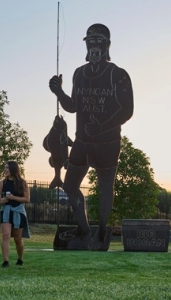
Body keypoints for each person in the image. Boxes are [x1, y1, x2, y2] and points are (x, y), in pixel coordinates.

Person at [48, 23, 134, 250]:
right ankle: (84, 230)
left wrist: (102, 127)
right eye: (91, 42)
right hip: (82, 142)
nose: (95, 46)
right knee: (69, 185)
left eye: (100, 42)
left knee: (106, 188)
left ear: (107, 45)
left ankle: (102, 233)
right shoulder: (79, 73)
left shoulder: (119, 74)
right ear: (86, 45)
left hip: (107, 142)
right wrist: (59, 92)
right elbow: (73, 106)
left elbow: (127, 110)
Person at [0, 161, 30, 267]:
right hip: (5, 211)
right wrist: (1, 201)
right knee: (5, 235)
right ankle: (6, 261)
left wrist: (13, 198)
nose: (5, 170)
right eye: (4, 168)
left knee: (17, 239)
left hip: (18, 212)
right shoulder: (2, 183)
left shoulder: (22, 183)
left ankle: (20, 259)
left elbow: (27, 199)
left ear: (13, 169)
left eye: (7, 168)